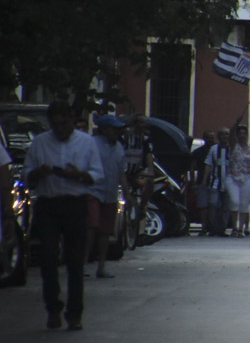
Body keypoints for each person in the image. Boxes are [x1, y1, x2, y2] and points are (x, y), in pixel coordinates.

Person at [24, 100, 104, 330]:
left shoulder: (86, 142)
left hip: (74, 203)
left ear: (72, 121)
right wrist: (39, 173)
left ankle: (75, 313)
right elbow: (28, 176)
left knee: (75, 262)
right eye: (55, 124)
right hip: (48, 205)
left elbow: (96, 175)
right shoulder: (40, 143)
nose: (60, 128)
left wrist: (78, 175)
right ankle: (53, 308)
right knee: (48, 258)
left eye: (64, 123)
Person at [86, 114, 130, 279]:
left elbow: (122, 172)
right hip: (94, 191)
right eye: (114, 129)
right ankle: (83, 263)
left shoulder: (119, 147)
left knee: (105, 231)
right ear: (104, 130)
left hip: (110, 193)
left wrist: (127, 192)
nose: (117, 132)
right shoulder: (93, 144)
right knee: (91, 226)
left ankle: (101, 266)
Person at [224, 124, 250, 237]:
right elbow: (231, 135)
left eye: (244, 133)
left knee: (244, 203)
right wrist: (236, 124)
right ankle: (234, 227)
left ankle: (240, 229)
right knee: (234, 201)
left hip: (247, 178)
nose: (242, 136)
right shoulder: (234, 146)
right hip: (233, 177)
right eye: (240, 133)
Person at [199, 128, 231, 236]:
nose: (224, 136)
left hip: (229, 183)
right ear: (219, 136)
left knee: (226, 206)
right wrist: (204, 180)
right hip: (215, 182)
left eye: (227, 134)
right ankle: (213, 227)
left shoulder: (232, 148)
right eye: (222, 134)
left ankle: (222, 228)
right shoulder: (213, 149)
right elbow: (208, 165)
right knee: (213, 204)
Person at [122, 114, 155, 218]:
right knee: (125, 196)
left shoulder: (144, 138)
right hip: (123, 171)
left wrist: (150, 170)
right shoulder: (125, 136)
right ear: (134, 124)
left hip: (136, 171)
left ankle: (143, 206)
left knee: (149, 181)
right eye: (141, 122)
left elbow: (148, 154)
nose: (144, 125)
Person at [189, 130, 217, 235]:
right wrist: (193, 183)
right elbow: (192, 169)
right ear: (204, 139)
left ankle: (213, 226)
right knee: (203, 206)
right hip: (202, 181)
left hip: (215, 181)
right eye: (208, 137)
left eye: (212, 137)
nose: (211, 139)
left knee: (213, 205)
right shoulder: (198, 152)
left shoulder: (217, 150)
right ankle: (204, 226)